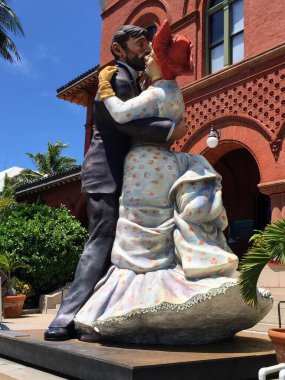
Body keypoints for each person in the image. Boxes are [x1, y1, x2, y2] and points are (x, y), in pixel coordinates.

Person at [74, 20, 272, 344]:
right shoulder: (172, 92)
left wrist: (106, 89)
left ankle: (126, 308)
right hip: (164, 162)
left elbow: (122, 115)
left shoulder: (158, 91)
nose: (147, 58)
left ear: (160, 63)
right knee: (158, 236)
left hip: (144, 165)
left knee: (137, 238)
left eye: (152, 55)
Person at [44, 24, 188, 341]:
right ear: (119, 50)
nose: (146, 49)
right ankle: (65, 317)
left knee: (120, 249)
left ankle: (101, 317)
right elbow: (126, 124)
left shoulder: (136, 82)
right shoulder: (115, 78)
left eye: (148, 44)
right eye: (139, 44)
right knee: (101, 242)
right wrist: (170, 129)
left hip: (128, 176)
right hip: (106, 175)